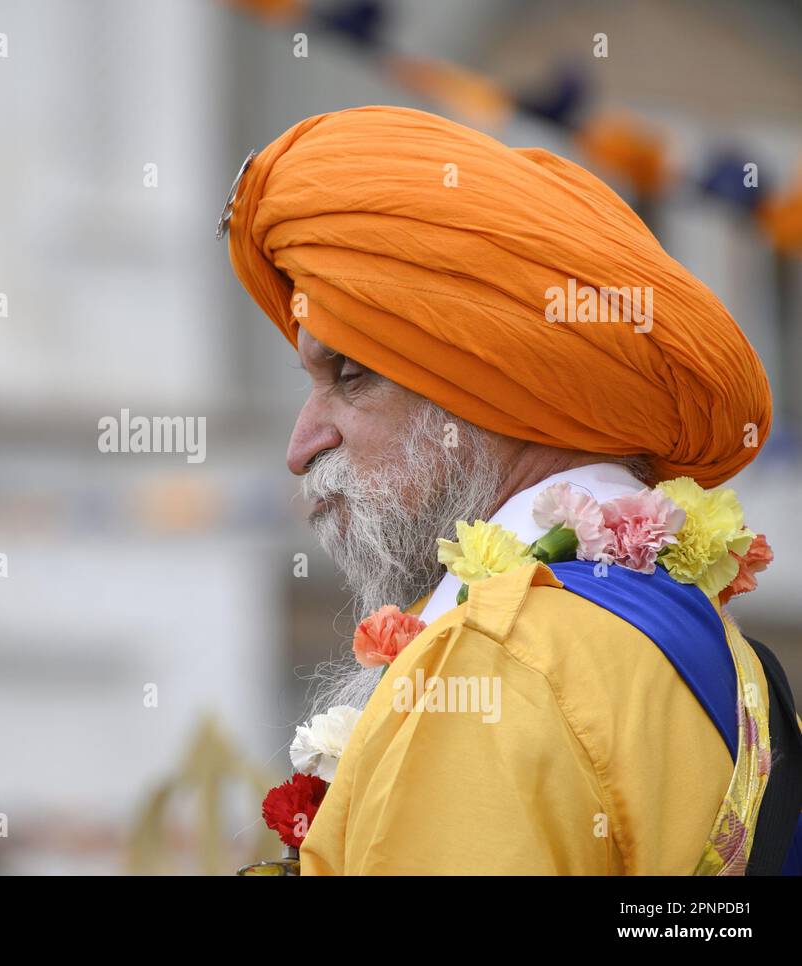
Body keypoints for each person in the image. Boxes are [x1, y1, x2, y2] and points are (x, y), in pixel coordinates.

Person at [222, 105, 801, 875]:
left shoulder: (495, 658)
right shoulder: (724, 655)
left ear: (493, 390)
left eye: (350, 377)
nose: (303, 447)